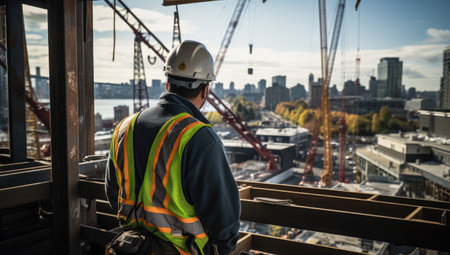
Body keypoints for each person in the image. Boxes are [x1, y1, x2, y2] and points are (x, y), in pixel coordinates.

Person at [105, 40, 241, 255]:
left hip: (129, 247)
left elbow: (114, 192)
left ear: (167, 84)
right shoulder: (199, 138)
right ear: (205, 90)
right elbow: (223, 220)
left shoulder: (124, 128)